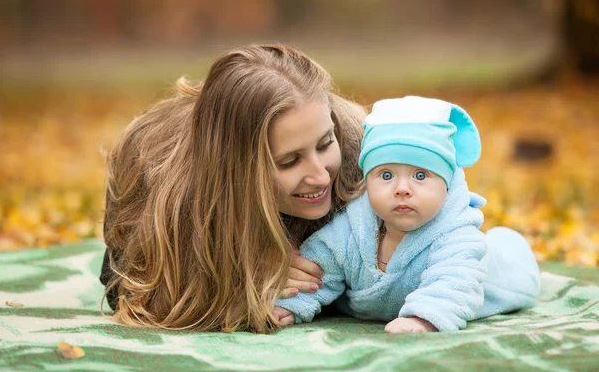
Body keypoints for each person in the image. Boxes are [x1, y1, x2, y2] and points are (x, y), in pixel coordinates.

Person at [99, 44, 368, 332]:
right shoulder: (167, 190)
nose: (321, 177)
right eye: (289, 161)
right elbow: (128, 292)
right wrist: (245, 278)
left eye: (326, 144)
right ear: (237, 172)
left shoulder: (363, 148)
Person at [274, 96, 541, 333]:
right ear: (368, 180)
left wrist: (423, 318)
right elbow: (319, 271)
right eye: (386, 175)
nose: (402, 189)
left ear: (446, 184)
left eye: (421, 175)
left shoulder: (457, 235)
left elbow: (456, 282)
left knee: (508, 258)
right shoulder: (354, 227)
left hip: (498, 279)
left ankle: (510, 243)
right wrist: (292, 305)